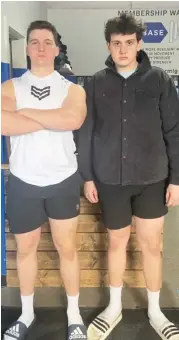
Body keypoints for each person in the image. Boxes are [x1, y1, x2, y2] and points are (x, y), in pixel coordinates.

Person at [78, 14, 179, 340]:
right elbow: (87, 133)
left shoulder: (160, 80)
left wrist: (176, 179)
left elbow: (174, 132)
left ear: (139, 43)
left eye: (129, 43)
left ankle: (154, 310)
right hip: (109, 179)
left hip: (152, 178)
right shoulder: (95, 83)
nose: (123, 49)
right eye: (117, 43)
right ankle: (115, 307)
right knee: (117, 243)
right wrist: (88, 177)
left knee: (152, 246)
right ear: (109, 45)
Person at [2, 20, 87, 340]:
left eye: (46, 42)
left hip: (63, 179)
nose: (40, 47)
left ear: (56, 49)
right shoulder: (9, 88)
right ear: (26, 48)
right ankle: (25, 314)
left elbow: (73, 118)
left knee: (68, 249)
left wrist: (25, 115)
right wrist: (52, 119)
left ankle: (74, 314)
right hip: (24, 181)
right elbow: (5, 125)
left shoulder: (73, 89)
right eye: (34, 42)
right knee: (25, 251)